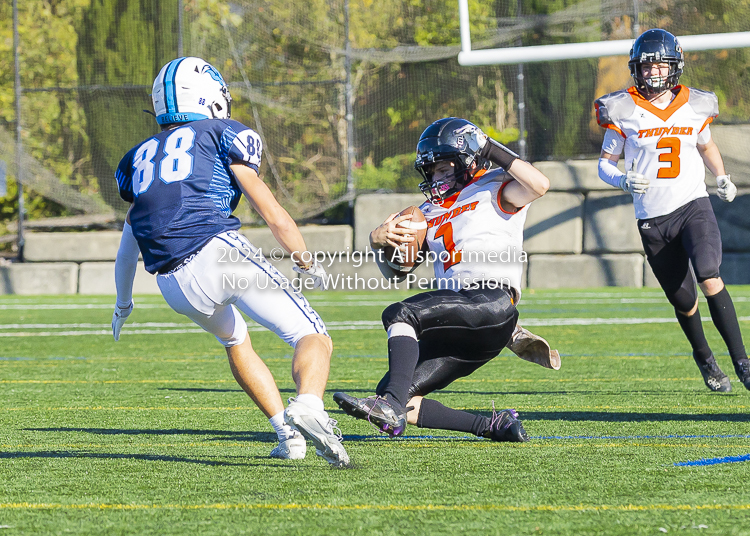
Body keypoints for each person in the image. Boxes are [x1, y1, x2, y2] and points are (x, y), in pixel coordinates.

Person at [111, 57, 350, 467]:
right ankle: (309, 404)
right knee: (312, 335)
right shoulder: (222, 131)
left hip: (172, 283)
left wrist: (123, 303)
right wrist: (305, 260)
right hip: (217, 251)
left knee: (235, 339)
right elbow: (270, 208)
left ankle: (288, 437)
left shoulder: (136, 158)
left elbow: (129, 239)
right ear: (208, 96)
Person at [333, 117, 558, 441]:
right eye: (431, 171)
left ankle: (391, 408)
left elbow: (540, 185)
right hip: (463, 322)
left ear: (466, 161)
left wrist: (488, 147)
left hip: (490, 300)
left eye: (442, 168)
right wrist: (378, 242)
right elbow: (398, 272)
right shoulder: (430, 209)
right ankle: (493, 426)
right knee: (393, 390)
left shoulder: (494, 186)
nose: (435, 177)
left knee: (400, 314)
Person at [594, 29, 749, 392]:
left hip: (694, 206)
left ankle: (742, 360)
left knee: (709, 274)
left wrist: (722, 176)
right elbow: (605, 164)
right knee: (684, 300)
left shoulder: (695, 104)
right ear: (636, 70)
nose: (652, 73)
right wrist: (622, 181)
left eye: (659, 66)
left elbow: (706, 146)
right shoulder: (623, 109)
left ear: (674, 67)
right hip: (653, 218)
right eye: (645, 67)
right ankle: (704, 357)